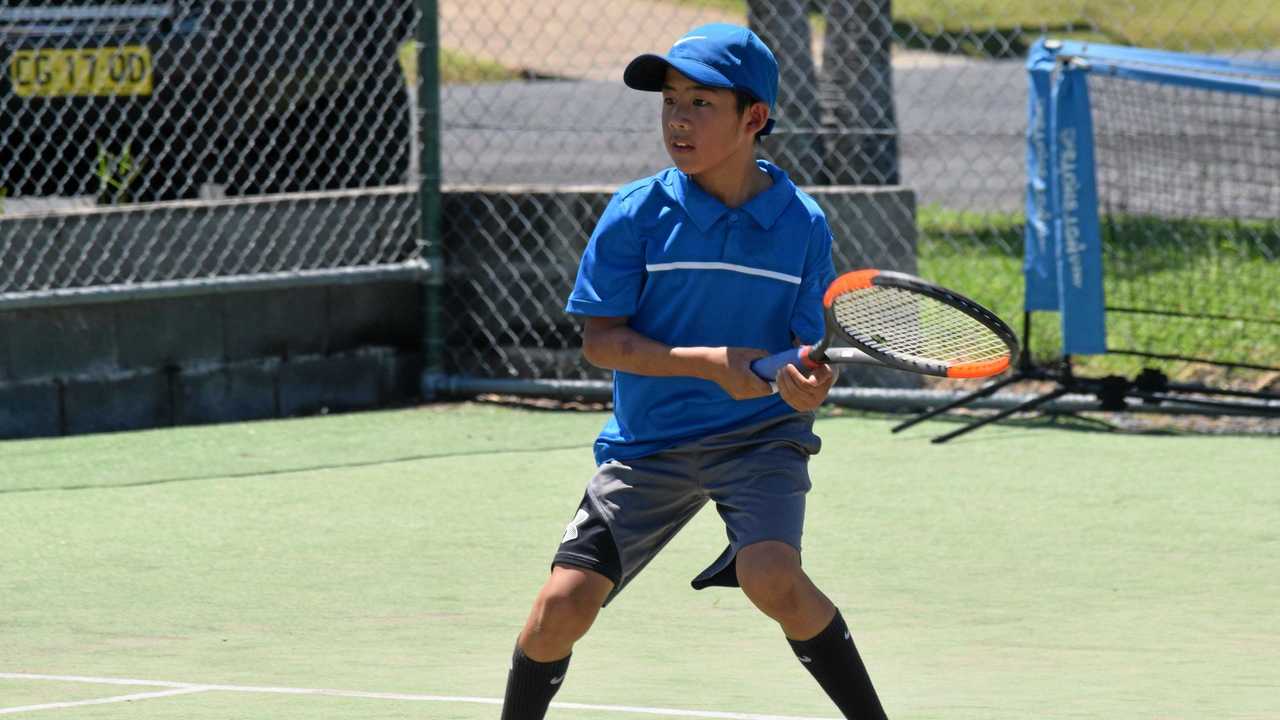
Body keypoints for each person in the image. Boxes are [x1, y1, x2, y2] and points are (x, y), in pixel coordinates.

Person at [500, 23, 888, 720]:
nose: (678, 119)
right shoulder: (636, 214)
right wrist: (709, 366)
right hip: (649, 446)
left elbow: (804, 352)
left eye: (701, 103)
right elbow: (601, 341)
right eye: (670, 102)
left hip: (760, 439)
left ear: (755, 117)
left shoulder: (801, 224)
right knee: (560, 608)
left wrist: (806, 382)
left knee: (774, 577)